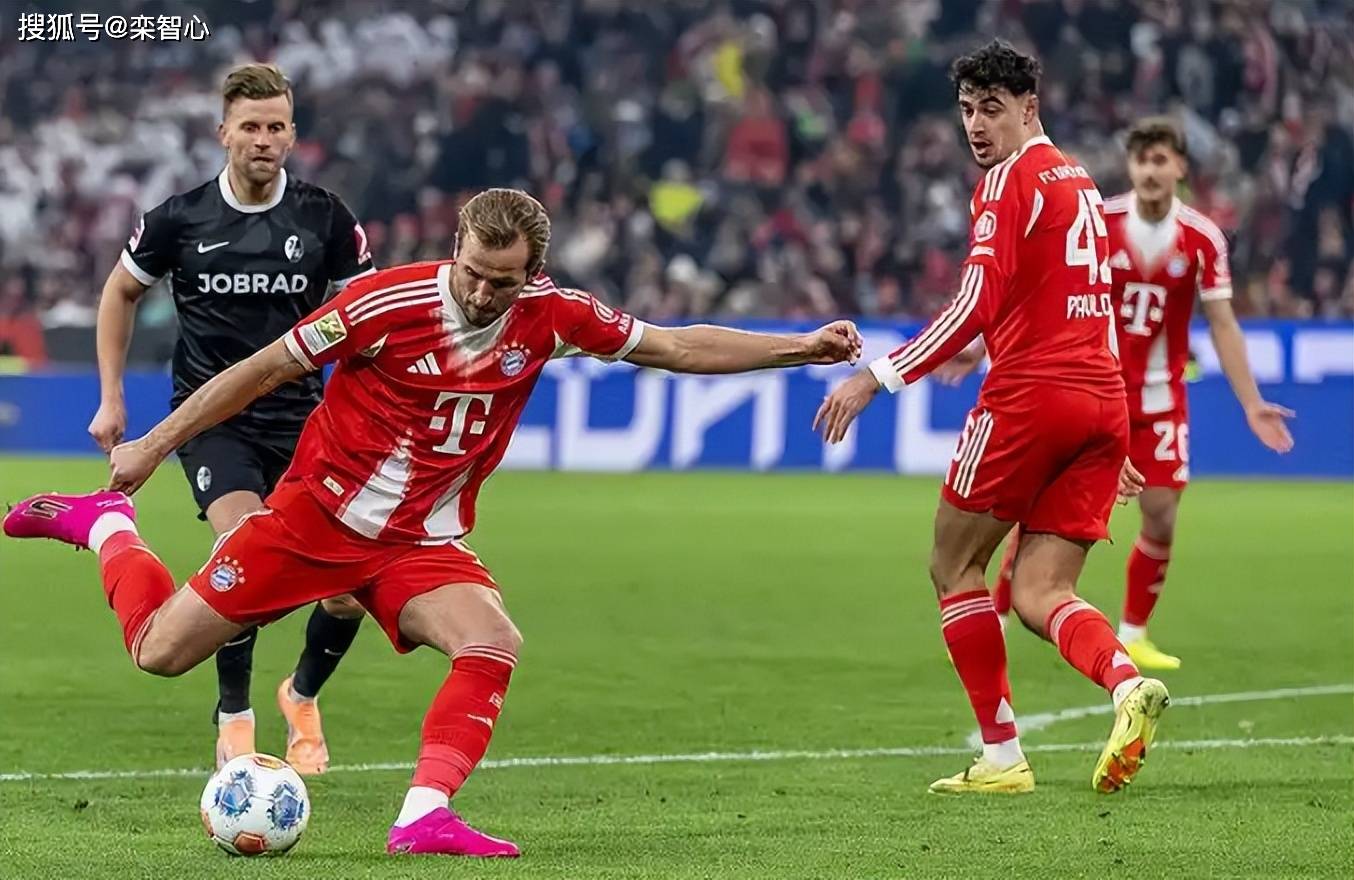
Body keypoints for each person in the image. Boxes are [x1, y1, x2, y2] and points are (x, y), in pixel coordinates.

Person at [6, 187, 862, 857]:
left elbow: (675, 346)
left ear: (533, 273)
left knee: (492, 641)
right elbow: (260, 371)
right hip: (313, 522)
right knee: (158, 651)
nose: (485, 292)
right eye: (475, 272)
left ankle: (423, 815)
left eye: (505, 281)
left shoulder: (552, 316)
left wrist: (800, 348)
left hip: (419, 541)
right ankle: (108, 527)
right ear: (456, 249)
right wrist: (154, 445)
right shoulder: (384, 304)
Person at [813, 40, 1165, 795]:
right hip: (1099, 401)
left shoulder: (1009, 181)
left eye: (992, 109)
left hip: (1031, 400)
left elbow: (975, 299)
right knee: (1040, 593)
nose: (976, 125)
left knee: (953, 565)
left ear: (1029, 108)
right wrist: (1112, 432)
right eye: (967, 109)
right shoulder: (1077, 179)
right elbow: (1085, 304)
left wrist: (877, 376)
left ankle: (1002, 757)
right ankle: (1127, 683)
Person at [86, 63, 375, 774]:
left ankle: (301, 695)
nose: (263, 139)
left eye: (276, 126)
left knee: (348, 594)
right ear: (224, 133)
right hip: (212, 420)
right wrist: (111, 395)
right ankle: (235, 716)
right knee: (243, 550)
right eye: (250, 126)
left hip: (305, 420)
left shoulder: (326, 218)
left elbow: (367, 322)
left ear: (292, 135)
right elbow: (119, 292)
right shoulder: (180, 219)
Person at [979, 118, 1294, 668]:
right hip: (1090, 391)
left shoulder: (1202, 238)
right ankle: (1000, 616)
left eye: (1160, 160)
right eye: (1141, 159)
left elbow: (1222, 323)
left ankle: (1135, 633)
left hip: (1160, 400)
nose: (1150, 170)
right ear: (1130, 166)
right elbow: (1047, 291)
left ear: (1180, 168)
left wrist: (1251, 402)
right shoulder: (1101, 223)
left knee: (1162, 515)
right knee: (1040, 505)